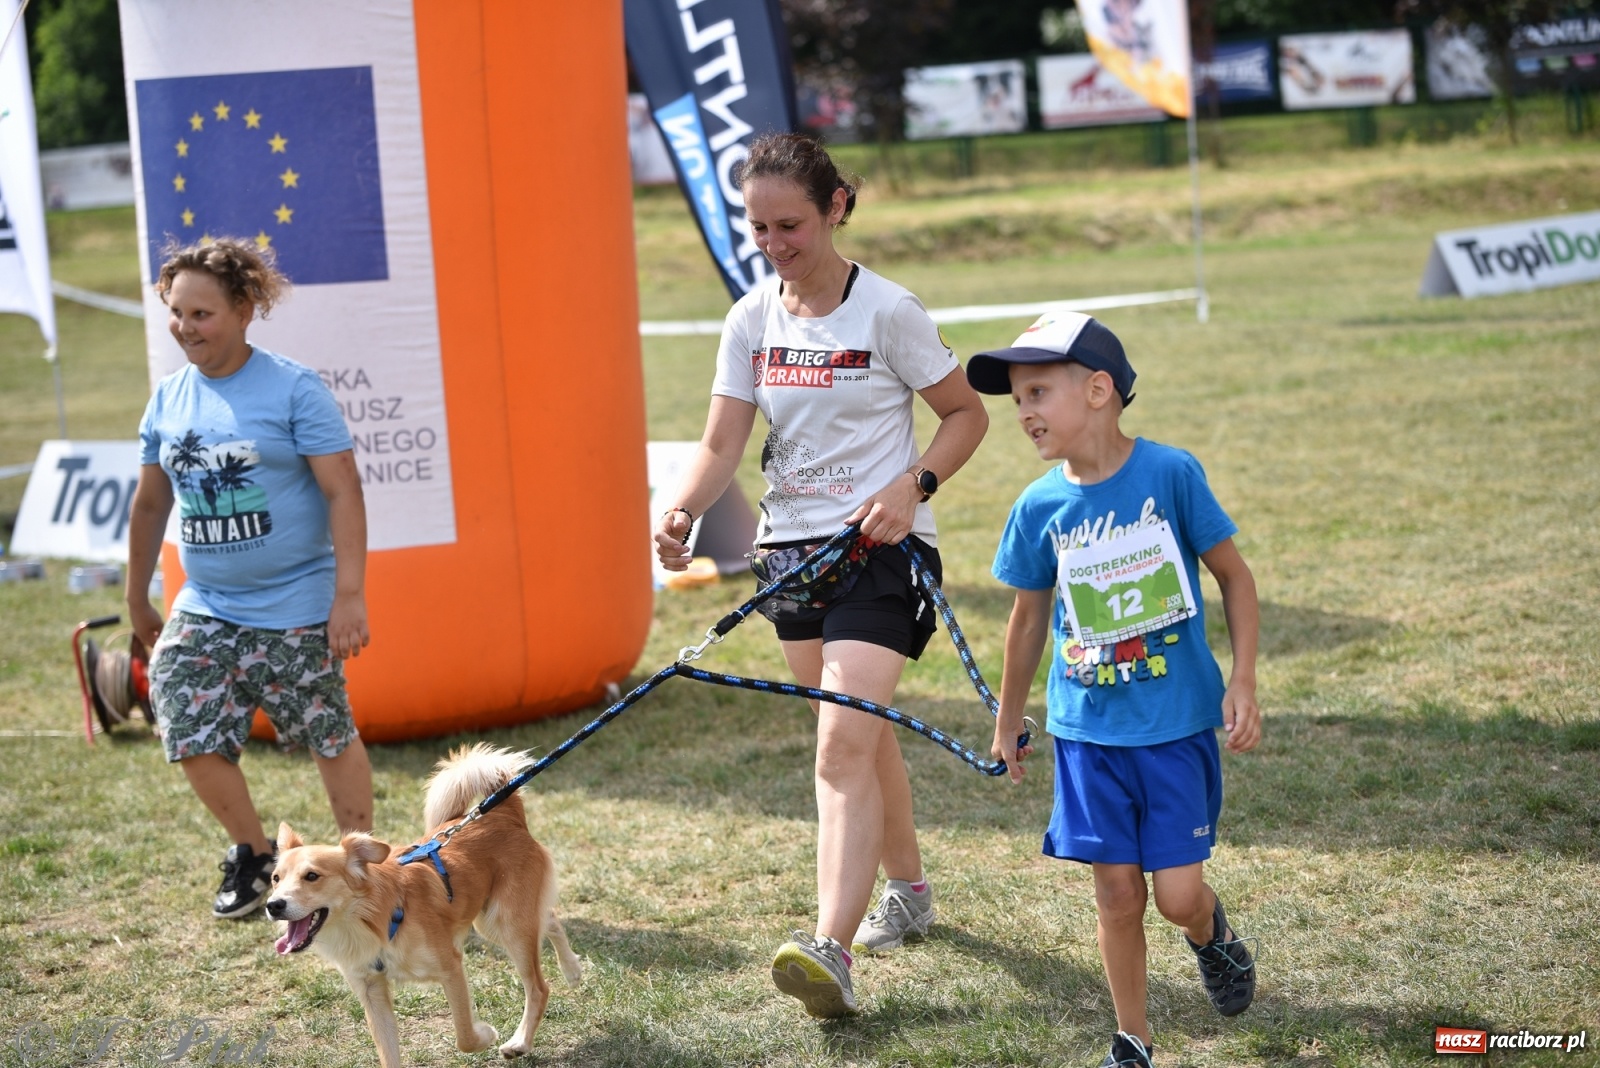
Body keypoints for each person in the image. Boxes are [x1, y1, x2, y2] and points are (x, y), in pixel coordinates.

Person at [653, 132, 989, 1018]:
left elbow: (963, 415)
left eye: (790, 224)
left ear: (836, 207)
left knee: (840, 744)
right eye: (759, 229)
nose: (775, 245)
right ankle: (909, 892)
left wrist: (911, 485)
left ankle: (829, 948)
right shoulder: (750, 318)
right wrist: (683, 507)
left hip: (881, 552)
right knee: (863, 737)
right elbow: (723, 439)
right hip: (790, 556)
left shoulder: (888, 311)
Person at [973, 313, 1260, 1068]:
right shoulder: (1039, 507)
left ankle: (1212, 934)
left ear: (1098, 390)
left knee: (1174, 898)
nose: (1025, 412)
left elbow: (1234, 576)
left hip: (1174, 726)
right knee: (1117, 896)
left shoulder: (1170, 474)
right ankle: (1133, 1039)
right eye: (1016, 400)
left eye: (1038, 391)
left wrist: (1245, 681)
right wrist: (1008, 720)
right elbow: (1028, 619)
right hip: (1087, 732)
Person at [124, 238, 375, 921]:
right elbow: (150, 504)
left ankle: (360, 864)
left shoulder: (294, 388)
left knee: (326, 730)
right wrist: (137, 596)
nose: (186, 327)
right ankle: (255, 852)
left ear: (244, 309)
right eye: (177, 312)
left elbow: (343, 491)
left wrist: (347, 596)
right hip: (206, 604)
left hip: (295, 602)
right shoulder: (168, 399)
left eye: (202, 313)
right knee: (182, 717)